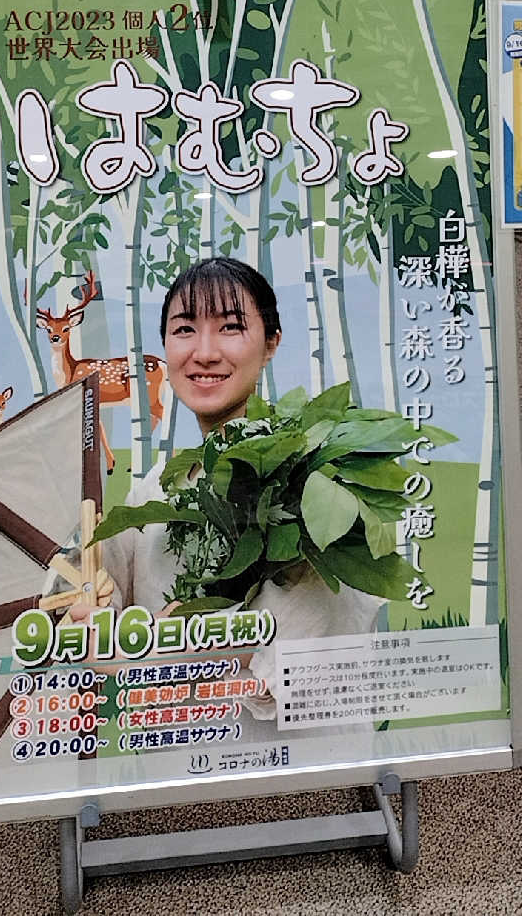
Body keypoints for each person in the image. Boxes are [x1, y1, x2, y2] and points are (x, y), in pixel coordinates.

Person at [100, 257, 382, 721]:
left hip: (302, 773)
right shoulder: (153, 492)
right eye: (185, 330)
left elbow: (321, 631)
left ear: (271, 342)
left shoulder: (316, 478)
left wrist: (188, 644)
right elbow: (106, 610)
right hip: (174, 768)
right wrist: (88, 616)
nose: (205, 352)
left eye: (230, 328)